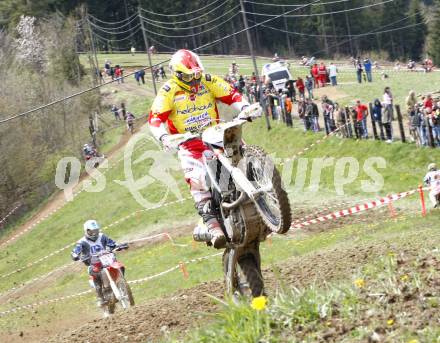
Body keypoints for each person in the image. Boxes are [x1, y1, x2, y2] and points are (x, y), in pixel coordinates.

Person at [148, 49, 255, 249]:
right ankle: (212, 225)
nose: (195, 80)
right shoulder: (168, 91)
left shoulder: (207, 80)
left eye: (197, 74)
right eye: (190, 76)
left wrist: (245, 107)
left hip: (216, 135)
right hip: (190, 145)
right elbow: (154, 120)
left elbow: (232, 95)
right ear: (179, 75)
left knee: (243, 149)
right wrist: (164, 137)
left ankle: (264, 185)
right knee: (197, 182)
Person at [71, 220, 118, 306]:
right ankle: (100, 297)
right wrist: (75, 255)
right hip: (93, 263)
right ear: (87, 231)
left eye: (96, 230)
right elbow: (76, 250)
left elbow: (112, 243)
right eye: (92, 231)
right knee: (95, 273)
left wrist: (116, 246)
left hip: (106, 260)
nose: (94, 233)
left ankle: (120, 282)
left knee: (116, 264)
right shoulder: (82, 242)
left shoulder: (102, 236)